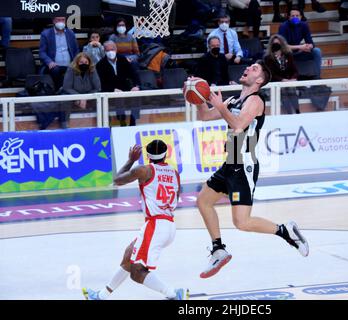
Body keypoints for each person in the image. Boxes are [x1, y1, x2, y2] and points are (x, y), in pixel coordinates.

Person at [191, 60, 309, 279]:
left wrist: (221, 106)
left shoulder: (255, 101)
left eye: (254, 69)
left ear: (260, 80)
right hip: (230, 162)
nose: (247, 69)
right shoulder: (236, 99)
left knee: (242, 222)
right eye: (249, 67)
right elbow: (205, 116)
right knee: (203, 201)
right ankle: (218, 249)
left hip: (244, 165)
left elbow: (237, 124)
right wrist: (196, 97)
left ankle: (285, 231)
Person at [82, 140, 189, 300]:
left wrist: (131, 159)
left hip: (155, 225)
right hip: (168, 224)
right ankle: (101, 296)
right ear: (166, 154)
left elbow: (117, 180)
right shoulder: (174, 173)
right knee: (128, 255)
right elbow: (177, 195)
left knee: (137, 272)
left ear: (147, 156)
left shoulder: (144, 170)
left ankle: (174, 294)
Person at [96, 41, 141, 126]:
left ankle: (133, 120)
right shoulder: (100, 65)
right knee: (118, 98)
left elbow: (133, 74)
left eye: (112, 49)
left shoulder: (123, 59)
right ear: (104, 51)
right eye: (107, 50)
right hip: (110, 90)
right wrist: (112, 90)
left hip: (124, 87)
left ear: (116, 49)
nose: (110, 52)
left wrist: (136, 86)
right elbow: (101, 84)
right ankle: (122, 121)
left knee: (136, 95)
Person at [278, 8, 322, 78]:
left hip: (299, 52)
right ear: (289, 17)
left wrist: (308, 46)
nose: (295, 18)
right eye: (293, 16)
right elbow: (283, 46)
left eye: (297, 16)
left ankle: (317, 78)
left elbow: (311, 43)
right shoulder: (283, 26)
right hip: (286, 53)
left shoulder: (304, 25)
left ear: (301, 17)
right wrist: (300, 47)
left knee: (317, 51)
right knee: (282, 53)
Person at [39, 16, 80, 91]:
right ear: (54, 21)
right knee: (55, 70)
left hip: (69, 64)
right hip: (54, 65)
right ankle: (59, 90)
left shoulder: (70, 33)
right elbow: (42, 52)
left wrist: (75, 61)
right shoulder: (46, 34)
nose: (61, 22)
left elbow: (76, 50)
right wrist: (49, 62)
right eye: (58, 20)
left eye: (63, 20)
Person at [263, 34, 300, 114]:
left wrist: (293, 78)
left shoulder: (288, 55)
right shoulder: (268, 58)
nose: (277, 45)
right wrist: (282, 80)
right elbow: (270, 74)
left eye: (278, 43)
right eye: (275, 44)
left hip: (288, 82)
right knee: (283, 90)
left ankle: (297, 112)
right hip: (275, 83)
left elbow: (295, 70)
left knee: (291, 88)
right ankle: (290, 113)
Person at [61, 52, 101, 121]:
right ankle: (64, 123)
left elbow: (97, 88)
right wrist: (79, 97)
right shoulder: (71, 69)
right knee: (65, 101)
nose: (84, 64)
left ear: (89, 62)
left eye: (86, 62)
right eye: (81, 62)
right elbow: (66, 87)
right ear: (77, 63)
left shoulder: (92, 69)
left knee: (100, 100)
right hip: (73, 95)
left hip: (89, 95)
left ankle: (101, 122)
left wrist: (85, 98)